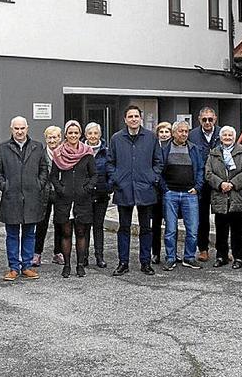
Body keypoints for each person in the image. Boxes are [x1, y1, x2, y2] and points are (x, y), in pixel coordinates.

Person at [107, 105, 163, 276]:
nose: (133, 119)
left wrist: (152, 178)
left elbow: (158, 162)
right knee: (123, 228)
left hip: (145, 189)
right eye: (130, 116)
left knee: (146, 228)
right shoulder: (117, 138)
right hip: (124, 189)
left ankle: (145, 262)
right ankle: (123, 262)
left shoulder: (151, 137)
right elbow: (110, 163)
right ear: (125, 119)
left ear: (141, 118)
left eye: (136, 116)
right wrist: (117, 178)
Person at [0, 116, 49, 281]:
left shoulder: (37, 147)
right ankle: (13, 268)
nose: (19, 131)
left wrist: (38, 184)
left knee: (30, 233)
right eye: (16, 128)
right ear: (11, 129)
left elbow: (44, 168)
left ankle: (27, 266)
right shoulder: (2, 148)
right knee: (12, 234)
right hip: (11, 196)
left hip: (32, 196)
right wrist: (5, 185)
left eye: (22, 128)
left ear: (27, 128)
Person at [50, 120, 97, 278]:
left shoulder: (87, 152)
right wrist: (61, 189)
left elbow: (94, 175)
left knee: (81, 232)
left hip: (83, 199)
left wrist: (87, 188)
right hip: (64, 200)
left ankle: (80, 265)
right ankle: (67, 265)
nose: (73, 135)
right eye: (70, 133)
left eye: (76, 133)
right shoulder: (58, 153)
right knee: (66, 233)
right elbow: (54, 177)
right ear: (65, 134)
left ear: (80, 134)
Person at [205, 126, 242, 270]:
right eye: (224, 135)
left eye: (230, 135)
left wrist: (232, 184)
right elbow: (208, 173)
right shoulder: (213, 154)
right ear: (220, 137)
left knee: (238, 230)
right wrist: (220, 184)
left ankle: (238, 257)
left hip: (237, 197)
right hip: (220, 197)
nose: (227, 137)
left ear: (234, 136)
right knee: (221, 229)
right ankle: (221, 256)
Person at [159, 120, 203, 271]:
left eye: (186, 131)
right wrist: (165, 189)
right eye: (181, 131)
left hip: (189, 194)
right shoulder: (165, 149)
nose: (184, 134)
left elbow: (200, 170)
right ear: (173, 132)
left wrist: (197, 187)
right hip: (170, 193)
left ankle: (189, 257)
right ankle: (170, 257)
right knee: (170, 229)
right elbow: (159, 170)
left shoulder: (194, 149)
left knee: (192, 229)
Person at [190, 107, 221, 262]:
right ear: (199, 119)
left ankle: (223, 250)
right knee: (202, 218)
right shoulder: (192, 135)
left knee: (222, 217)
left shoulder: (223, 133)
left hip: (219, 182)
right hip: (201, 183)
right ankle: (203, 249)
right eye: (204, 119)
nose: (208, 122)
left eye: (210, 119)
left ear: (215, 118)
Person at [34, 125, 62, 267]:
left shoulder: (65, 153)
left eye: (55, 137)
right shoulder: (40, 154)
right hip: (43, 193)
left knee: (60, 223)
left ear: (60, 138)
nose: (52, 140)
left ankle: (58, 253)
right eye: (49, 137)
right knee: (41, 224)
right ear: (45, 139)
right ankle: (37, 254)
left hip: (59, 193)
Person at [84, 122, 110, 268]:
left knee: (98, 226)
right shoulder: (80, 150)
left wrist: (108, 186)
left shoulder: (106, 151)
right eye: (90, 133)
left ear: (100, 135)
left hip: (101, 194)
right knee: (85, 226)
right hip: (85, 195)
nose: (93, 136)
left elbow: (111, 169)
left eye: (95, 133)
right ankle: (84, 256)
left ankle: (99, 256)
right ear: (86, 135)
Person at [150, 121, 172, 264]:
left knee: (171, 224)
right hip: (155, 191)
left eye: (167, 132)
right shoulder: (153, 147)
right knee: (156, 224)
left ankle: (172, 253)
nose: (164, 135)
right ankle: (156, 252)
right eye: (161, 132)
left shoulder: (174, 147)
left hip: (170, 189)